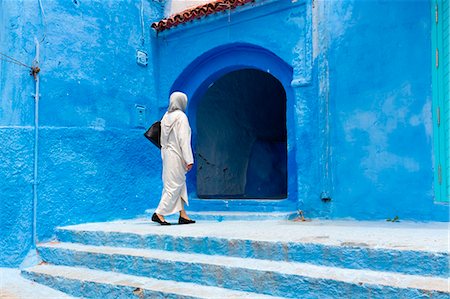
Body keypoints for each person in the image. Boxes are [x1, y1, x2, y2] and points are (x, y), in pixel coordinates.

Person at [152, 91, 195, 225]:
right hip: (177, 155)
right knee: (174, 186)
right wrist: (189, 159)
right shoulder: (181, 117)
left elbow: (163, 141)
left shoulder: (166, 116)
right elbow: (183, 140)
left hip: (167, 155)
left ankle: (183, 214)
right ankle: (159, 213)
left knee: (177, 184)